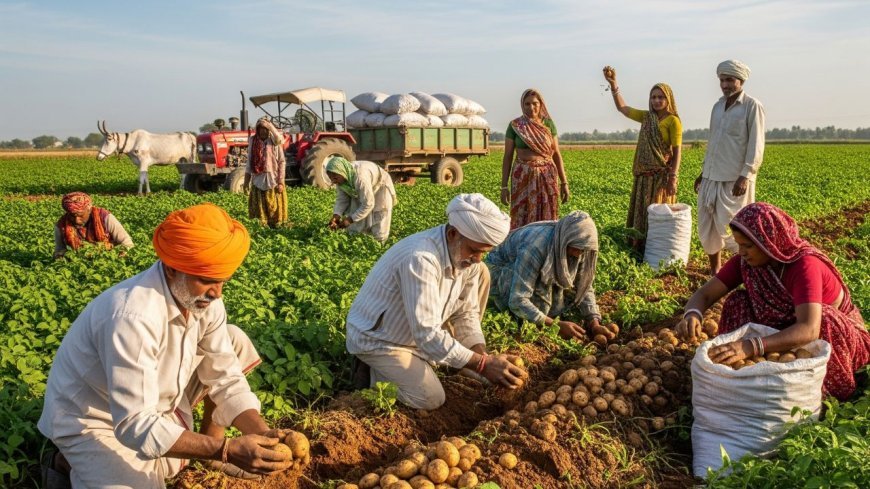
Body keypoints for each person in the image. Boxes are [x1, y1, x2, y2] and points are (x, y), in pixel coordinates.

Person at [38, 203, 292, 488]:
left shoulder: (204, 301)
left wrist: (267, 435)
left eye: (222, 282)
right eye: (207, 281)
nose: (216, 293)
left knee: (234, 341)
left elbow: (226, 379)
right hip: (98, 419)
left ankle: (209, 452)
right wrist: (226, 450)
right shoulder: (132, 316)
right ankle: (67, 459)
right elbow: (134, 422)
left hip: (157, 405)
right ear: (172, 269)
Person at [345, 193, 525, 410]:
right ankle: (376, 374)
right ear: (452, 233)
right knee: (430, 399)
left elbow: (466, 312)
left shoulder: (466, 260)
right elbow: (427, 333)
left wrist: (481, 355)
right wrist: (482, 365)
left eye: (484, 253)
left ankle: (433, 360)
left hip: (415, 335)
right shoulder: (420, 258)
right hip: (381, 340)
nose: (477, 259)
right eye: (475, 251)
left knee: (482, 273)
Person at [676, 202, 869, 400]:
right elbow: (705, 294)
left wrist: (750, 346)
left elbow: (809, 329)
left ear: (769, 242)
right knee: (737, 301)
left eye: (748, 246)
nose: (741, 252)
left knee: (826, 318)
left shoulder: (804, 266)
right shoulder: (747, 263)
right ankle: (735, 374)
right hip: (780, 334)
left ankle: (826, 396)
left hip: (826, 339)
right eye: (739, 244)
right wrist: (693, 314)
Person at [486, 211, 606, 340]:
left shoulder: (580, 248)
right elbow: (518, 299)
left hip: (531, 266)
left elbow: (584, 285)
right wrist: (555, 325)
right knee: (527, 307)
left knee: (568, 293)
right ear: (565, 240)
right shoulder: (535, 247)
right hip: (500, 272)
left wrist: (594, 322)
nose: (578, 254)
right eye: (575, 248)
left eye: (582, 250)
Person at [695, 59, 766, 274]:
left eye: (729, 80)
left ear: (740, 80)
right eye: (722, 80)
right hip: (711, 176)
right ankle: (715, 271)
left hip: (734, 179)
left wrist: (746, 175)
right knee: (707, 227)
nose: (725, 85)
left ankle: (747, 271)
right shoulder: (717, 107)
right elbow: (714, 142)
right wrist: (703, 172)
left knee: (737, 229)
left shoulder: (752, 106)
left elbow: (756, 144)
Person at [602, 66, 683, 249]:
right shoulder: (647, 117)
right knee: (642, 212)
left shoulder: (673, 121)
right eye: (653, 97)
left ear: (668, 99)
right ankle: (638, 247)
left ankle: (656, 248)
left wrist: (673, 177)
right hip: (643, 177)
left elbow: (677, 151)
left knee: (657, 213)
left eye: (660, 97)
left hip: (660, 177)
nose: (656, 100)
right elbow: (623, 108)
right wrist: (614, 84)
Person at [501, 88, 570, 229]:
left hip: (547, 175)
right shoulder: (515, 126)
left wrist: (564, 183)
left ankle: (545, 246)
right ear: (522, 105)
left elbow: (556, 153)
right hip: (522, 176)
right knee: (521, 214)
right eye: (527, 104)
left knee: (548, 215)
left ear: (541, 104)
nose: (531, 107)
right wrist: (504, 186)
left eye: (535, 103)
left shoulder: (548, 124)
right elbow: (508, 156)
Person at [326, 156, 397, 243]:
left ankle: (379, 246)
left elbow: (368, 204)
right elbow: (342, 199)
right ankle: (357, 241)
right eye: (331, 178)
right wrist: (336, 215)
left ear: (342, 172)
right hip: (365, 186)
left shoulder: (360, 178)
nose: (333, 181)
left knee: (380, 215)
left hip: (380, 186)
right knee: (355, 212)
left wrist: (349, 220)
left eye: (335, 178)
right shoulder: (341, 179)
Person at [53, 191, 134, 259]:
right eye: (72, 216)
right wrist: (61, 258)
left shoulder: (104, 217)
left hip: (109, 258)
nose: (77, 220)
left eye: (80, 215)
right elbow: (59, 250)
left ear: (89, 209)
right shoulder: (61, 226)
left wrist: (121, 256)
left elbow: (126, 242)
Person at [245, 118, 287, 228]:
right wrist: (246, 182)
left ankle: (276, 228)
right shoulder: (253, 141)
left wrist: (281, 182)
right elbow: (249, 162)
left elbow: (281, 162)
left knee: (275, 209)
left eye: (265, 129)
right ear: (257, 130)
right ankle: (263, 228)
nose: (263, 131)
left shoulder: (274, 141)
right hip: (259, 180)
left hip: (273, 179)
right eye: (260, 129)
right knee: (259, 211)